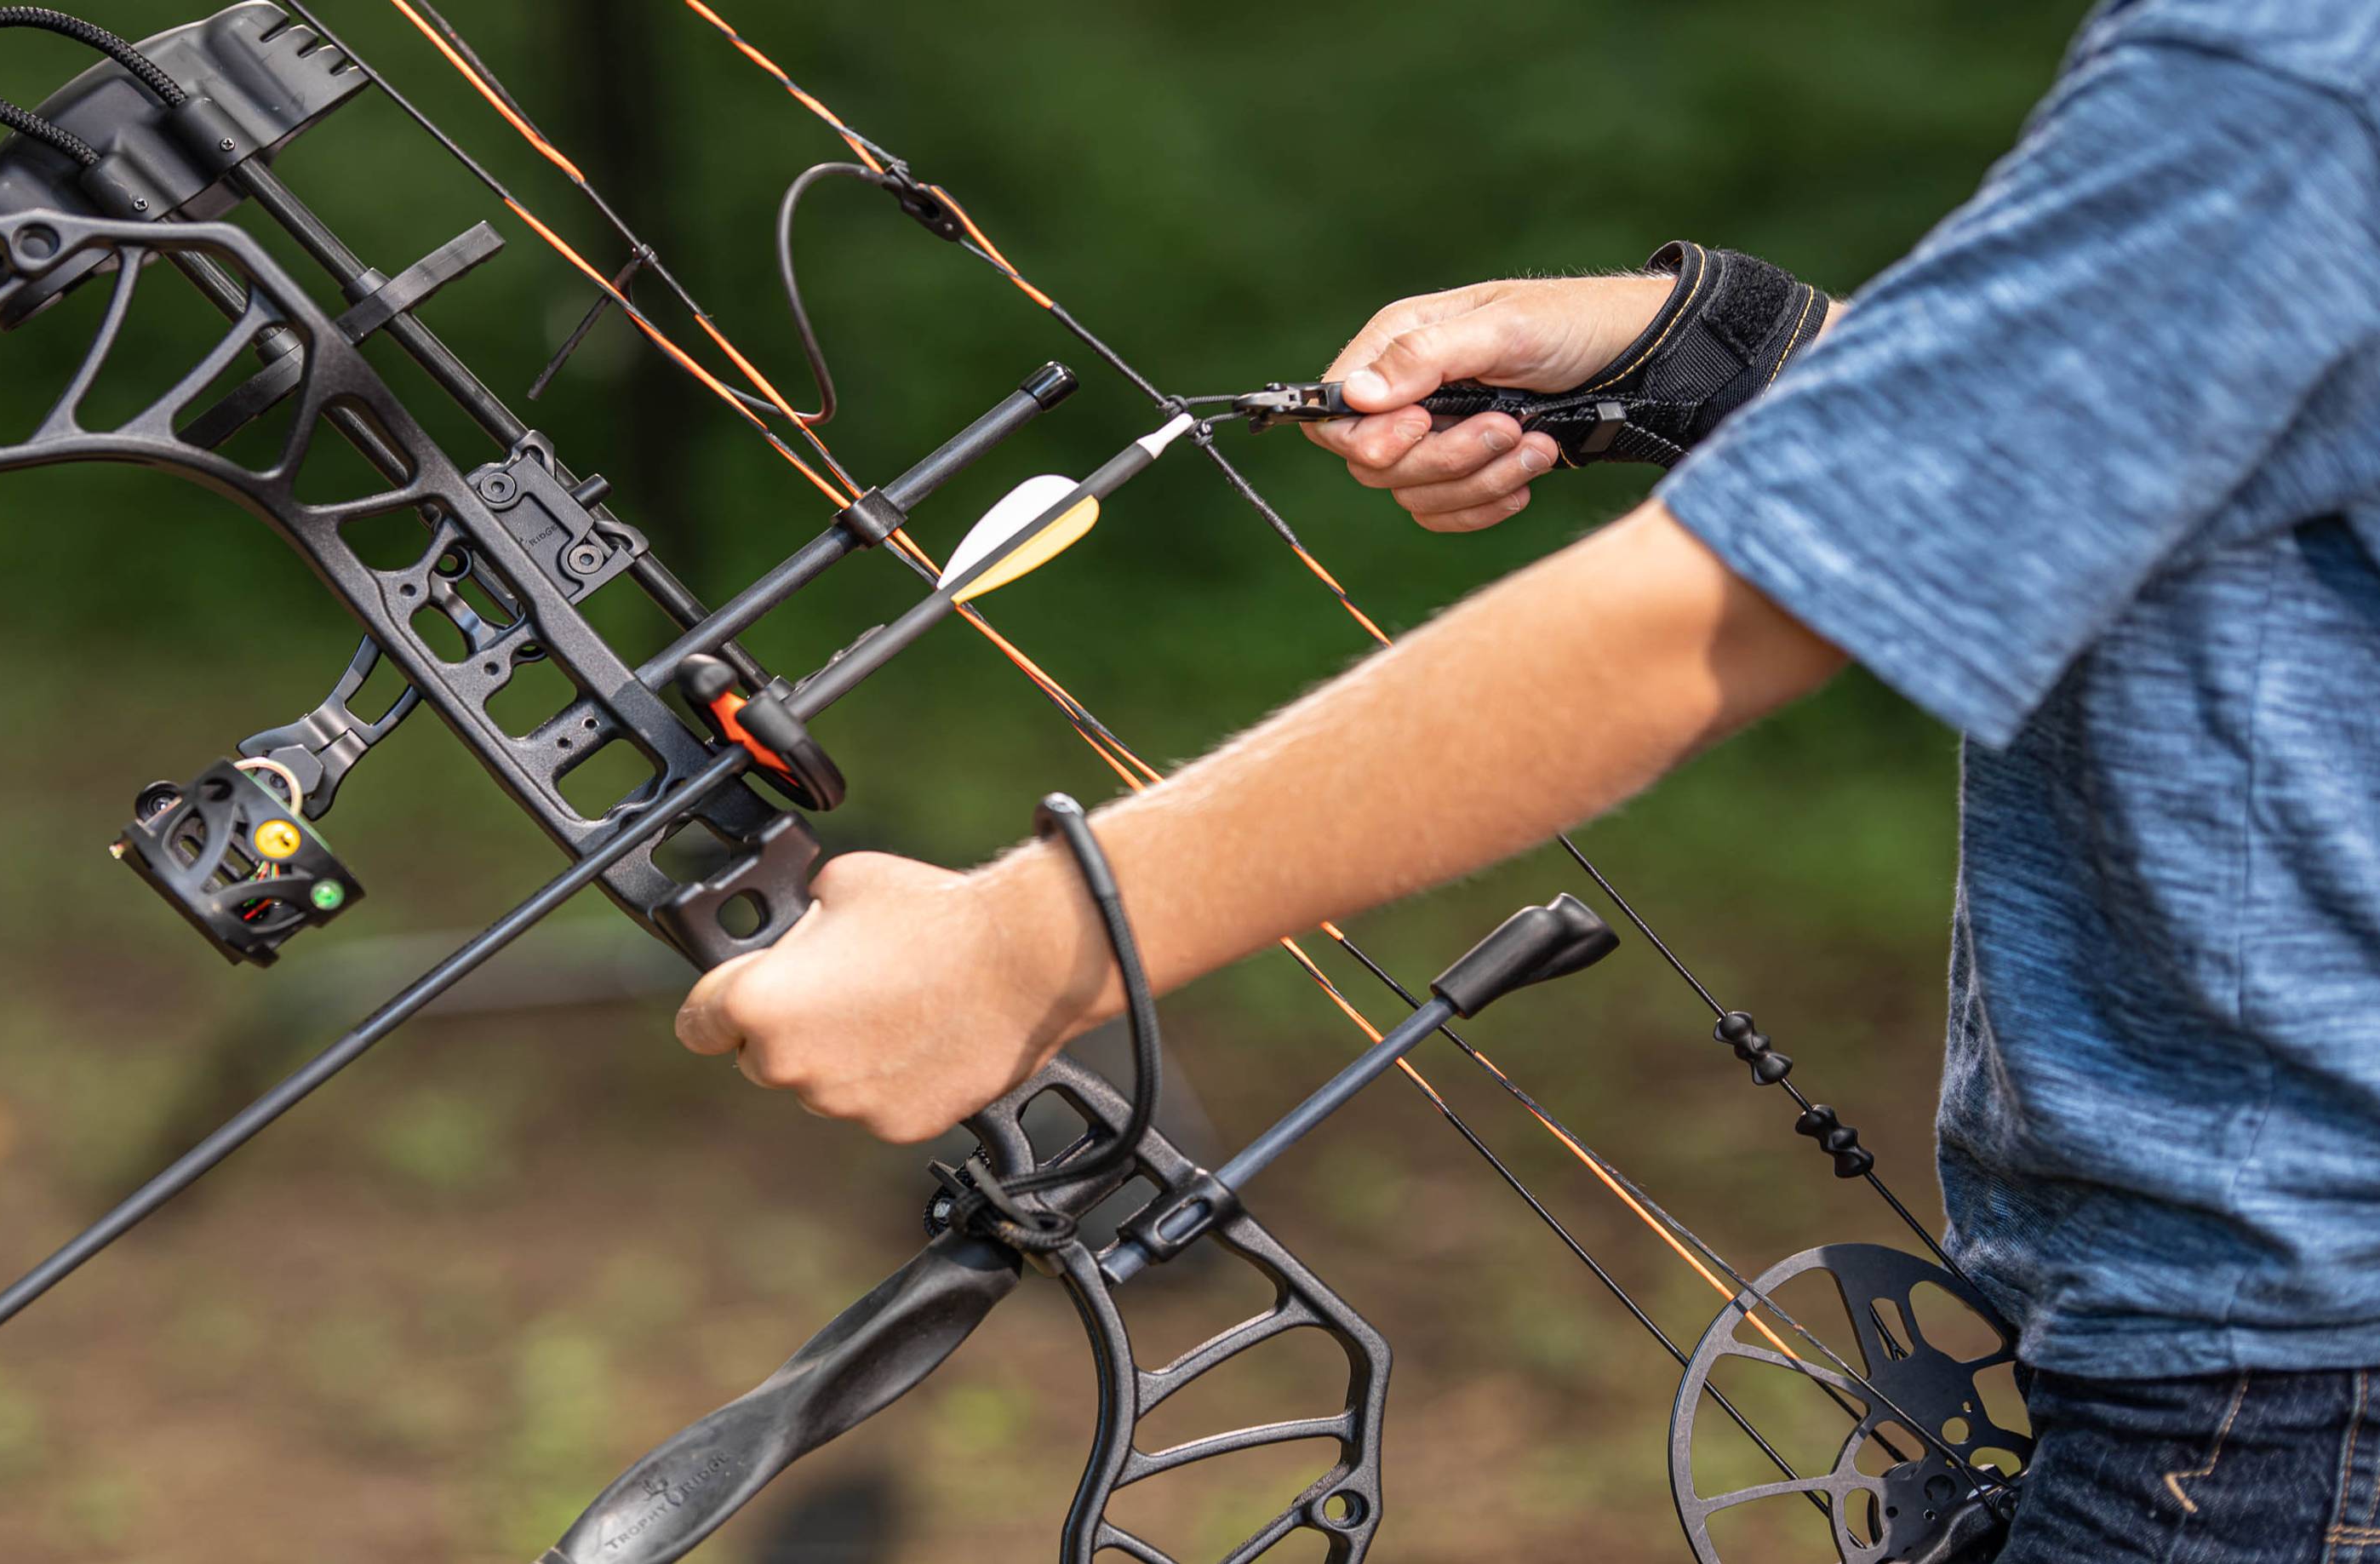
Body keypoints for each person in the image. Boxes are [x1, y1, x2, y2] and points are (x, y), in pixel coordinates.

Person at [676, 3, 2380, 1555]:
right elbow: (2207, 411)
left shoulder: (2293, 62)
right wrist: (1735, 350)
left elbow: (1700, 620)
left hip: (2269, 1423)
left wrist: (1028, 948)